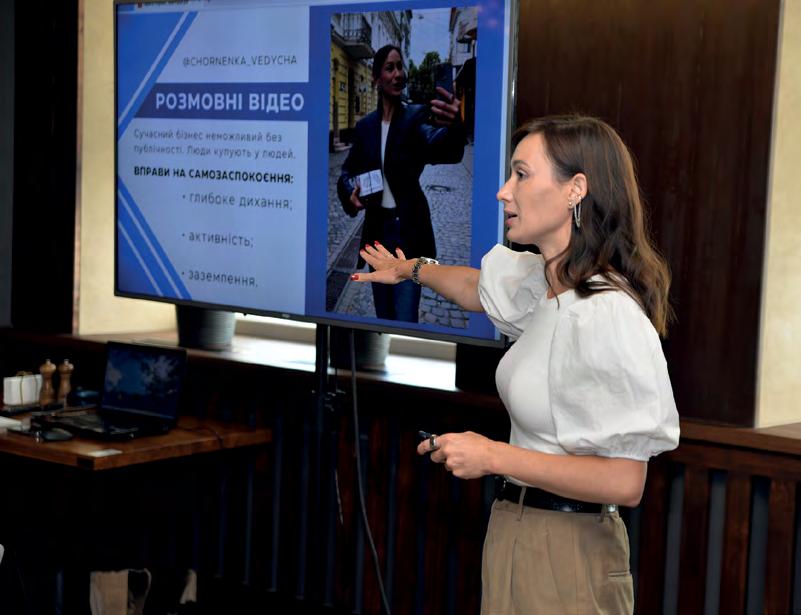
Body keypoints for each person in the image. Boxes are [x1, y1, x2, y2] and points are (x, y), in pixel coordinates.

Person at [351, 115, 680, 614]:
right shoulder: (548, 286)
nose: (504, 192)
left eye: (522, 175)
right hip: (516, 531)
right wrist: (411, 269)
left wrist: (493, 456)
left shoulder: (607, 312)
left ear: (575, 189)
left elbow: (624, 481)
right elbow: (476, 286)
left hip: (568, 551)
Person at [336, 44, 465, 322]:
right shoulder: (365, 127)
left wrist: (455, 127)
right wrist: (350, 193)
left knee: (405, 317)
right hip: (377, 234)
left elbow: (444, 148)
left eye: (400, 67)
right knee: (384, 314)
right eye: (389, 68)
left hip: (408, 233)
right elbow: (346, 172)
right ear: (376, 78)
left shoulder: (415, 117)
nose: (398, 74)